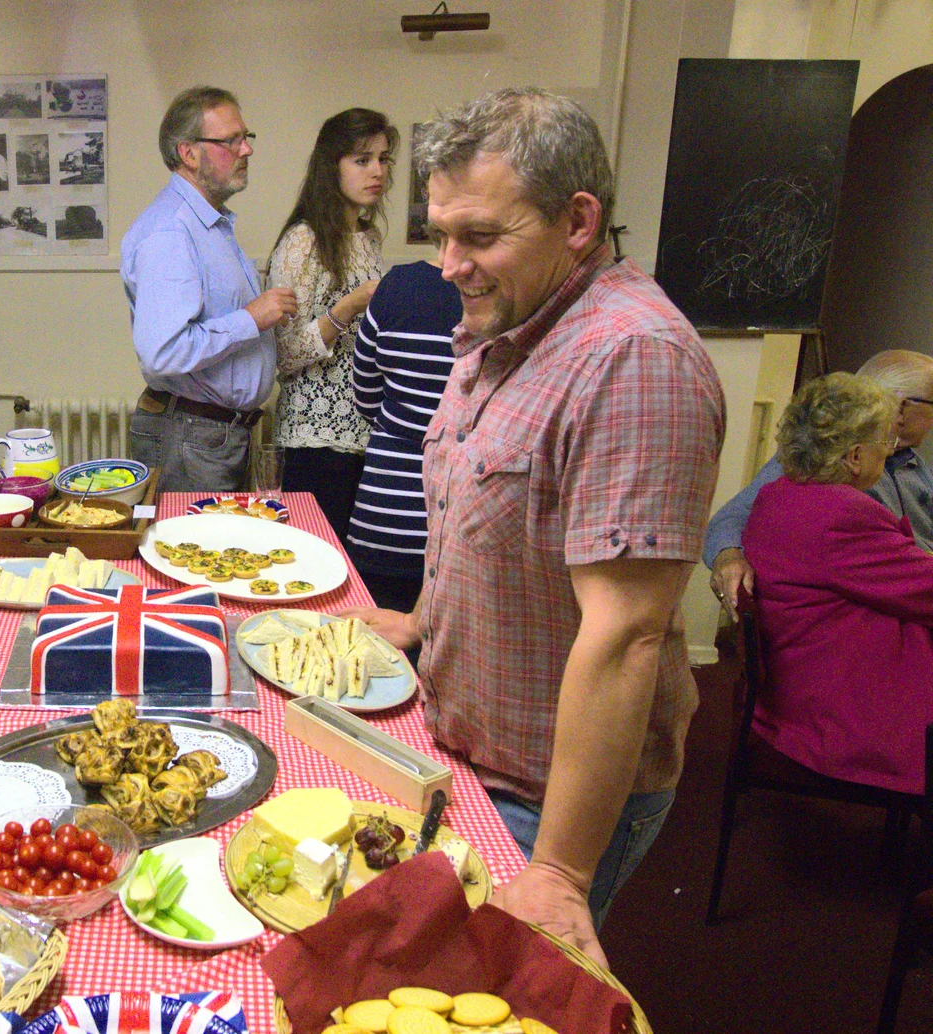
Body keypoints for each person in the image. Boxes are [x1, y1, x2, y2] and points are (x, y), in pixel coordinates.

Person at [342, 88, 725, 963]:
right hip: (464, 746)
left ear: (578, 220)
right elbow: (492, 529)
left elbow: (629, 634)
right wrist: (421, 627)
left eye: (478, 237)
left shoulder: (633, 358)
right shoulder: (510, 322)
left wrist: (557, 868)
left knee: (471, 994)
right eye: (440, 234)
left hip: (543, 801)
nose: (448, 263)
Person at [742, 372, 933, 794]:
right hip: (846, 711)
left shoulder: (781, 492)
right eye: (886, 446)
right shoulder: (841, 515)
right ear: (854, 456)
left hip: (800, 689)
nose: (890, 452)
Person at [121, 85, 298, 491]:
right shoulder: (171, 232)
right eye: (230, 140)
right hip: (190, 439)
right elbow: (163, 353)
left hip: (211, 437)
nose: (246, 150)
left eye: (245, 137)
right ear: (189, 153)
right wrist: (251, 319)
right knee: (190, 554)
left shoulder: (210, 226)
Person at [705, 349, 933, 618]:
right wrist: (729, 556)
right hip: (892, 604)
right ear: (903, 408)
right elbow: (728, 519)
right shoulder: (816, 463)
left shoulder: (913, 464)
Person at [266, 109, 395, 540]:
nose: (377, 171)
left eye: (383, 158)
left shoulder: (369, 238)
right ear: (331, 166)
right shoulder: (303, 240)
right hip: (314, 438)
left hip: (364, 434)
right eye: (362, 160)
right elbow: (283, 354)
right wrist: (351, 305)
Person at [347, 256, 461, 611]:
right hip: (458, 524)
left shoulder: (396, 285)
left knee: (372, 655)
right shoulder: (506, 290)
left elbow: (364, 393)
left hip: (385, 509)